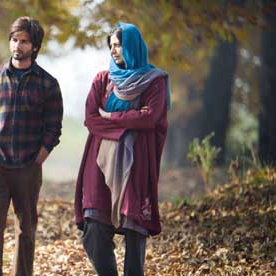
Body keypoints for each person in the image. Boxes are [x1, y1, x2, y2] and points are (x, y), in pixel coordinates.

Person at [0, 16, 63, 276]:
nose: (17, 46)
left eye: (24, 41)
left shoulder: (48, 84)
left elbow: (53, 129)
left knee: (26, 228)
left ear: (35, 47)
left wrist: (38, 159)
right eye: (14, 40)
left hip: (29, 167)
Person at [74, 22, 170, 276]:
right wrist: (130, 120)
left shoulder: (154, 82)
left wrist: (113, 118)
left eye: (119, 45)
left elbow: (149, 118)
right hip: (100, 161)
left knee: (134, 229)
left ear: (133, 46)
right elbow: (91, 119)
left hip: (136, 162)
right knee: (94, 227)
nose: (115, 51)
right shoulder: (102, 80)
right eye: (112, 46)